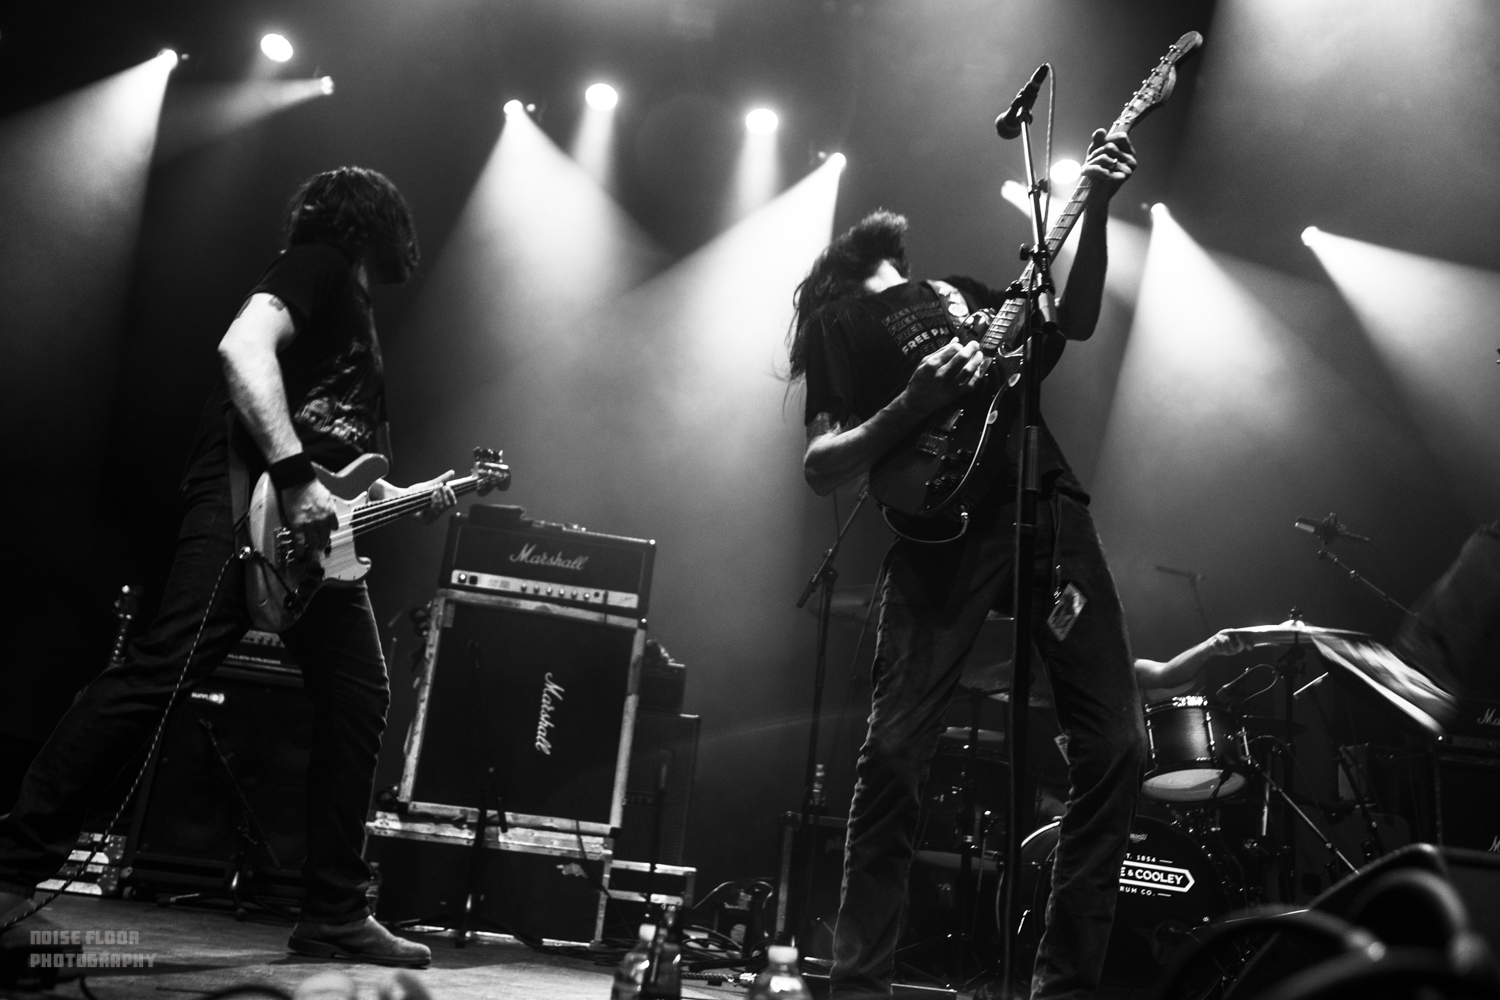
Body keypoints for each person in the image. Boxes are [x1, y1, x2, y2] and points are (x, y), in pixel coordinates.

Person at [0, 167, 454, 967]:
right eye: (404, 221)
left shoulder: (358, 318)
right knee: (161, 670)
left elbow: (344, 460)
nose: (413, 240)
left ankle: (335, 911)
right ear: (370, 220)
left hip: (314, 531)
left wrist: (403, 496)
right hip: (248, 499)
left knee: (359, 695)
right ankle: (9, 871)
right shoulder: (317, 264)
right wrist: (291, 476)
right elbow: (243, 349)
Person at [789, 129, 1140, 1000]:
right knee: (894, 753)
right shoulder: (839, 320)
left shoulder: (965, 293)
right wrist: (914, 401)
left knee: (1115, 747)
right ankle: (858, 985)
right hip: (940, 536)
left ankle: (1064, 989)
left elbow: (1077, 320)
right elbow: (822, 464)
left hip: (1045, 504)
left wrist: (1097, 206)